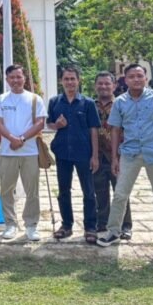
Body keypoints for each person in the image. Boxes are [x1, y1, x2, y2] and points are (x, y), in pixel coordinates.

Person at [97, 64, 153, 261]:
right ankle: (113, 231)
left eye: (139, 76)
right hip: (130, 154)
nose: (136, 79)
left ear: (145, 78)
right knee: (120, 195)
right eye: (131, 77)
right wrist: (115, 157)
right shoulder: (120, 102)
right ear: (125, 80)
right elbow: (115, 129)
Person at [0, 64, 46, 241]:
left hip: (29, 151)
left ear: (24, 78)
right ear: (7, 80)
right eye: (12, 77)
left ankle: (31, 224)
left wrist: (21, 139)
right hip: (7, 152)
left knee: (32, 190)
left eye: (18, 77)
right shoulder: (1, 100)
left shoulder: (34, 99)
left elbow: (40, 123)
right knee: (6, 190)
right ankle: (10, 223)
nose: (15, 80)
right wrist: (11, 139)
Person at [47, 66, 100, 243]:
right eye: (66, 79)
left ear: (79, 81)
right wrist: (57, 125)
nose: (70, 82)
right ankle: (66, 224)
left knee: (89, 191)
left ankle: (90, 227)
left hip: (84, 153)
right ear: (61, 81)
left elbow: (94, 130)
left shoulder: (88, 103)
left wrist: (95, 155)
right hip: (62, 152)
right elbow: (49, 124)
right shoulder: (55, 102)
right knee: (63, 190)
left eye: (73, 79)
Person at [93, 72, 132, 238]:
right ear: (95, 86)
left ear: (114, 85)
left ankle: (125, 225)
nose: (103, 87)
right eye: (100, 84)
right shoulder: (91, 105)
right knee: (100, 191)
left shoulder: (122, 104)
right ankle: (102, 223)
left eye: (107, 84)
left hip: (119, 155)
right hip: (97, 155)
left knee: (121, 191)